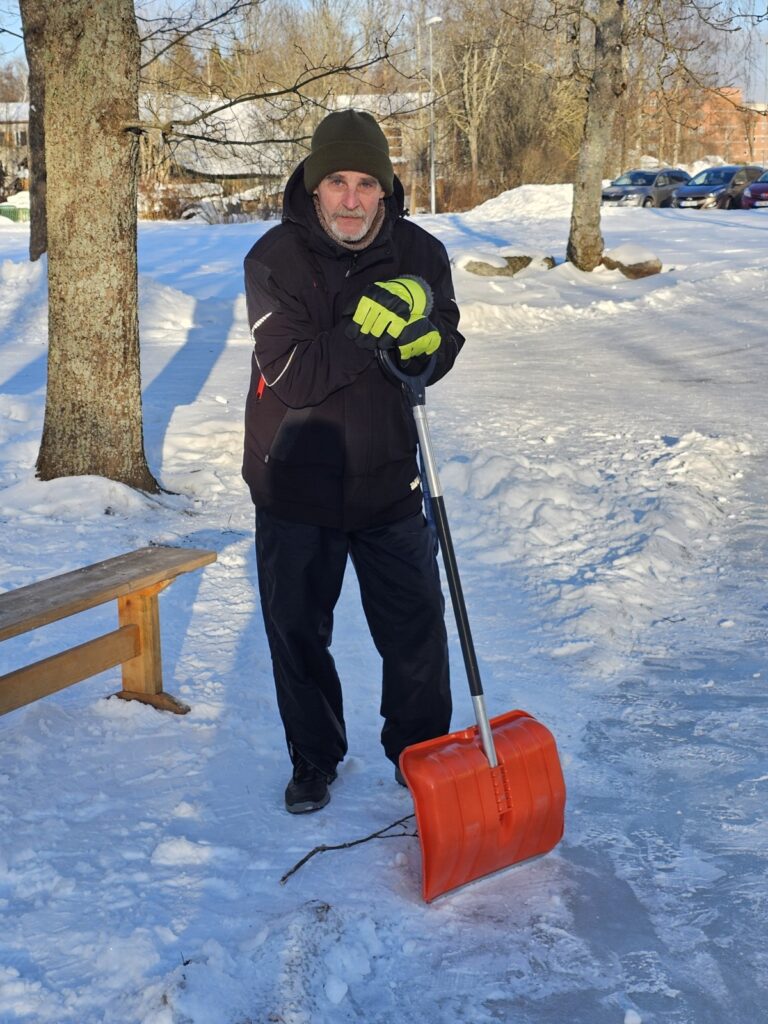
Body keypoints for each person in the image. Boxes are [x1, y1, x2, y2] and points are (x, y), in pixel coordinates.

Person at [242, 109, 465, 813]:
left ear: (385, 189)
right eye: (336, 181)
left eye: (366, 183)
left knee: (416, 629)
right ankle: (314, 758)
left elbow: (441, 346)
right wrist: (369, 325)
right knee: (299, 633)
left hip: (389, 477)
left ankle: (421, 753)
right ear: (313, 186)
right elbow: (294, 375)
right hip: (294, 482)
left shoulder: (421, 253)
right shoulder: (273, 260)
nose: (351, 198)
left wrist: (422, 339)